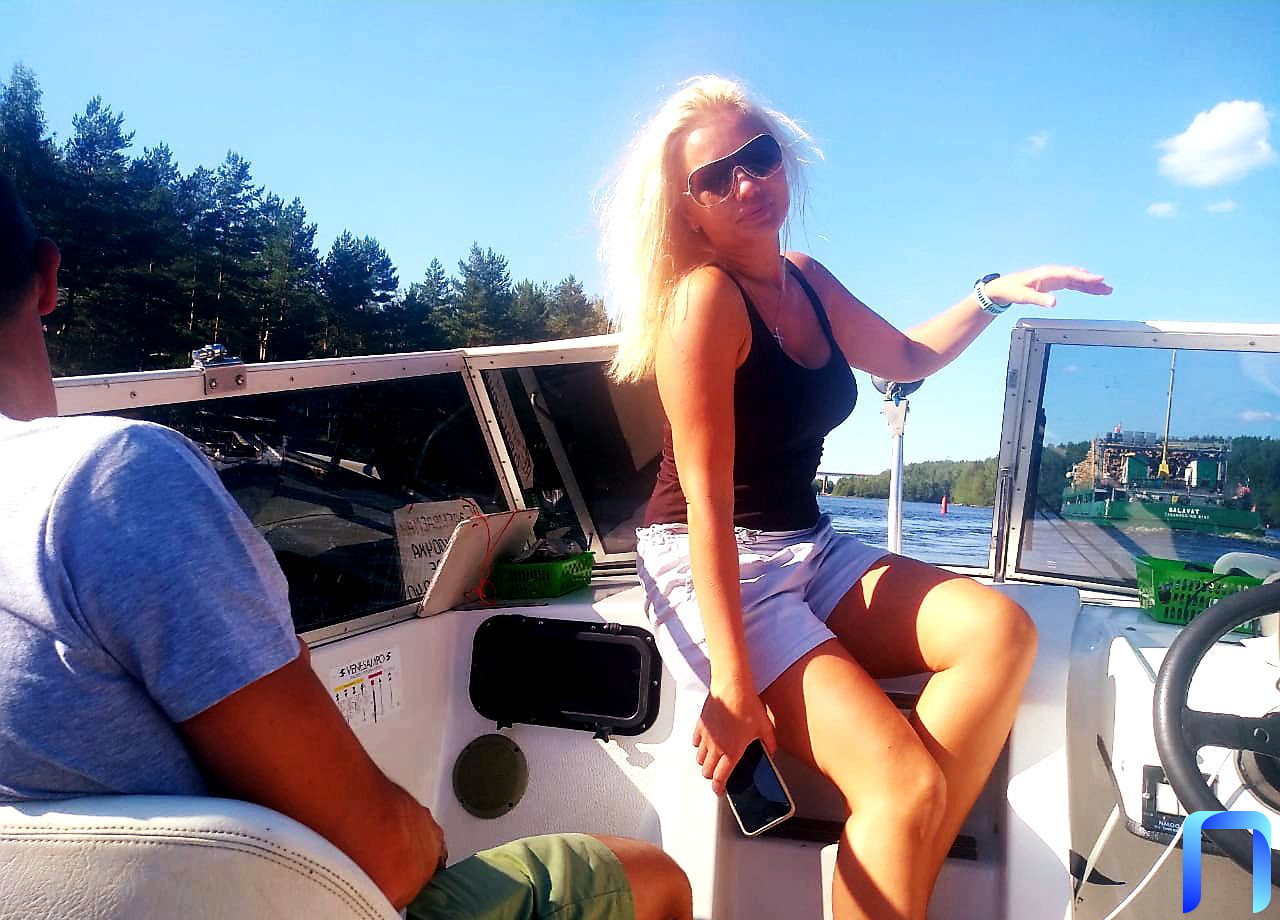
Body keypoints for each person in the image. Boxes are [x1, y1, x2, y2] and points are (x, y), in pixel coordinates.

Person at [0, 175, 692, 920]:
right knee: (650, 877)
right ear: (48, 277)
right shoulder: (112, 480)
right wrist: (423, 837)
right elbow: (387, 865)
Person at [600, 76, 1112, 920]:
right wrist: (733, 686)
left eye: (759, 157)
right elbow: (707, 505)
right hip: (712, 562)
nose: (746, 183)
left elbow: (905, 356)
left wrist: (991, 293)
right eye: (716, 177)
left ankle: (894, 872)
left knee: (999, 632)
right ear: (688, 212)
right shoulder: (703, 303)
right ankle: (893, 860)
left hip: (809, 542)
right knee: (902, 789)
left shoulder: (804, 279)